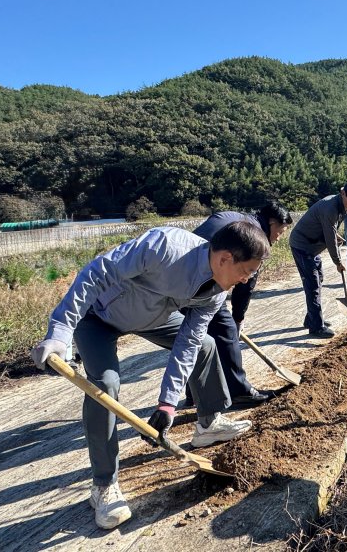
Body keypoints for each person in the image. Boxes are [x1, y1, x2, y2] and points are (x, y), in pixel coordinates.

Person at [31, 222, 270, 530]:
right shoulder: (164, 246)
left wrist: (168, 403)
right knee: (105, 383)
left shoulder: (214, 293)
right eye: (247, 271)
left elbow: (188, 343)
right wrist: (60, 331)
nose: (247, 279)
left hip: (152, 317)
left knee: (204, 346)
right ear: (225, 258)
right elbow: (96, 272)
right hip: (99, 316)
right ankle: (104, 484)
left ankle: (208, 423)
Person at [190, 200, 293, 406]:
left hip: (185, 272)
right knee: (225, 330)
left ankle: (194, 394)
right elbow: (245, 284)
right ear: (271, 223)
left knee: (198, 336)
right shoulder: (254, 238)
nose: (279, 238)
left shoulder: (238, 218)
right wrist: (237, 319)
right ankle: (238, 391)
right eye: (280, 232)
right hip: (201, 277)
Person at [289, 180, 347, 338]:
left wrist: (336, 236)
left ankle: (311, 318)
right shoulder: (330, 207)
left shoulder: (341, 206)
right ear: (343, 193)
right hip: (302, 246)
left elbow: (329, 229)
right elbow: (329, 239)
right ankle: (316, 327)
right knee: (313, 283)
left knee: (318, 278)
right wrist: (338, 262)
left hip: (313, 247)